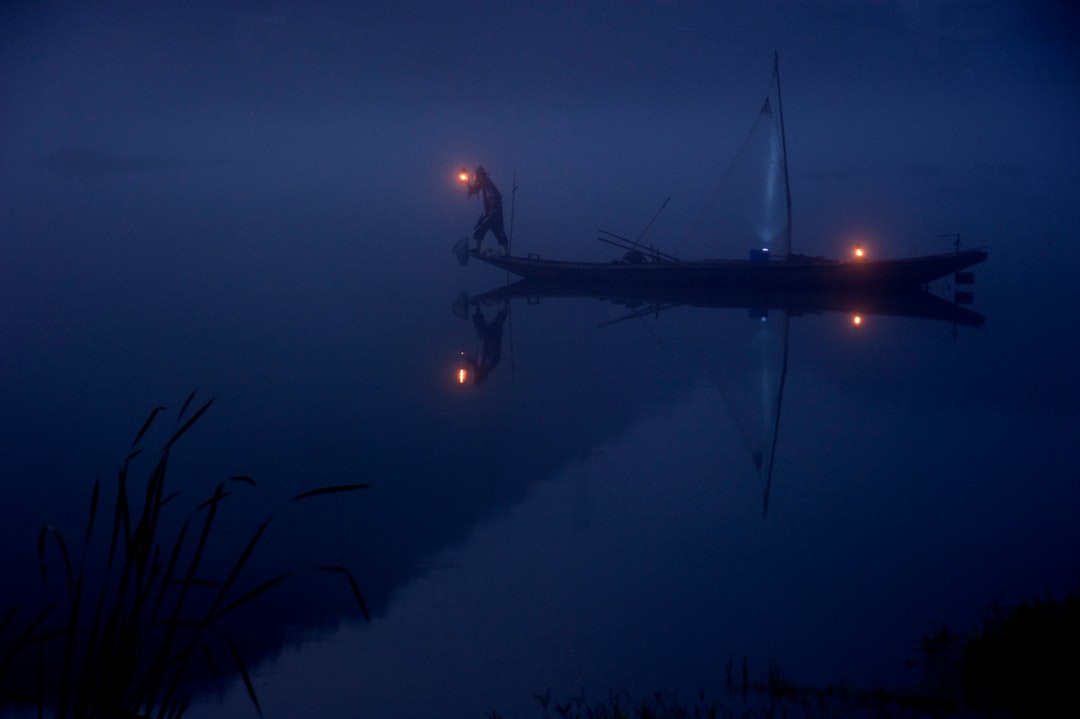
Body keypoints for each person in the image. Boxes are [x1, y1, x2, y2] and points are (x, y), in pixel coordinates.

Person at [466, 166, 509, 254]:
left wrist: (490, 212)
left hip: (493, 213)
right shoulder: (481, 184)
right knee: (478, 229)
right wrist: (466, 182)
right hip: (487, 212)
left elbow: (493, 198)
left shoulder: (487, 183)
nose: (476, 177)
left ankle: (507, 252)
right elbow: (473, 191)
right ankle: (477, 249)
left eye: (477, 175)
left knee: (498, 231)